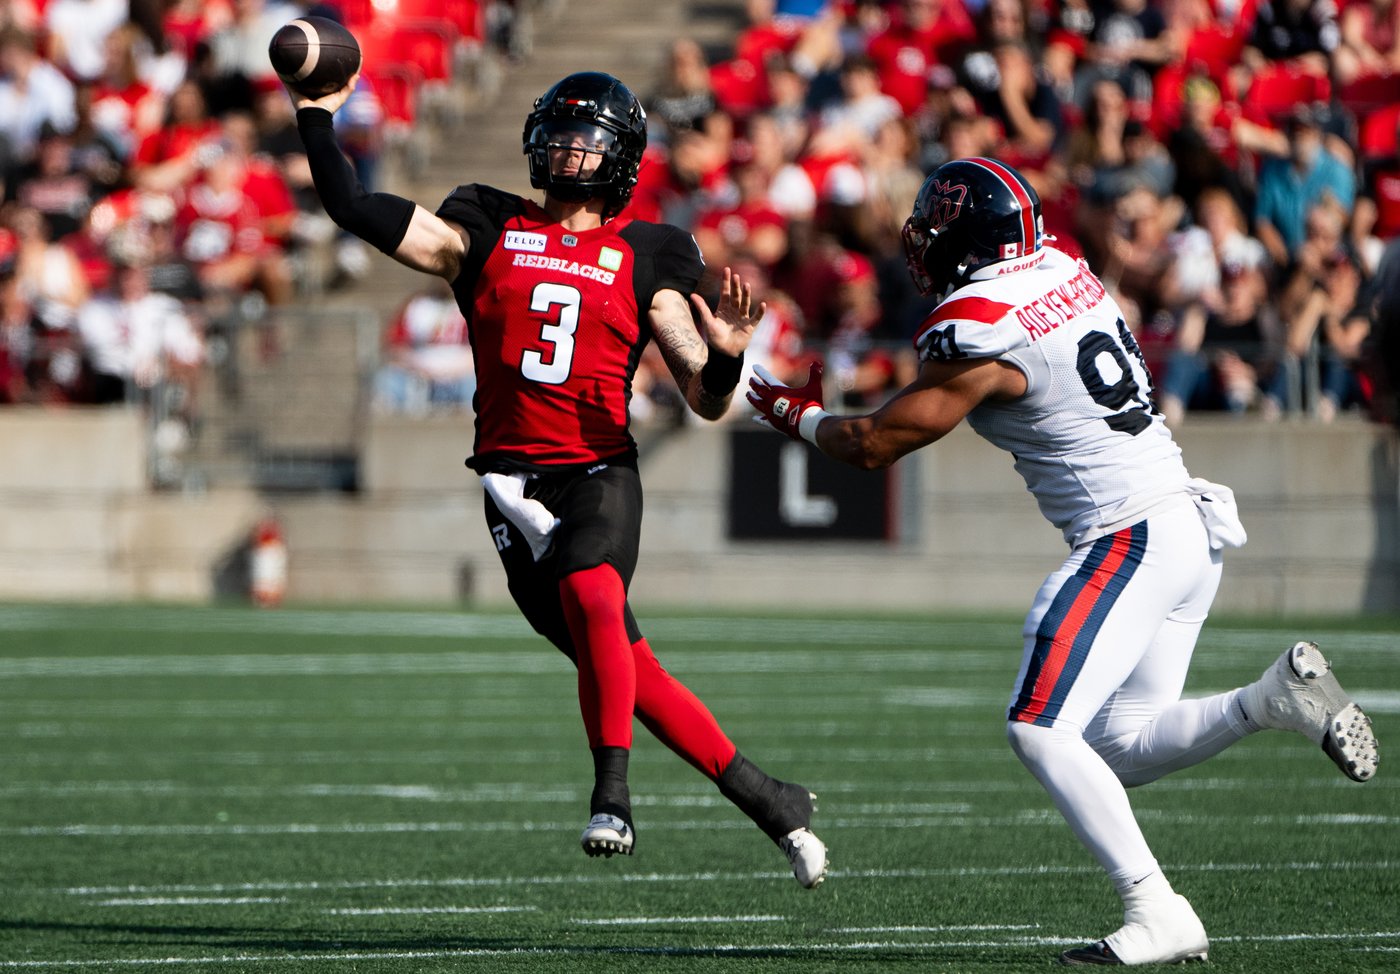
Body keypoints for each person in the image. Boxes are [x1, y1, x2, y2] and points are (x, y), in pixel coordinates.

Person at [747, 156, 1380, 963]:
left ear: (973, 243)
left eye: (938, 233)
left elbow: (875, 443)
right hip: (1187, 524)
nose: (926, 247)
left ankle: (1158, 909)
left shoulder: (979, 319)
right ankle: (1270, 701)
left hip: (1130, 536)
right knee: (1120, 746)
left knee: (1039, 729)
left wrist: (787, 411)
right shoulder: (1062, 269)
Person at [286, 68, 828, 886]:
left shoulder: (651, 252)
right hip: (509, 487)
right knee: (629, 672)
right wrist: (316, 119)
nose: (569, 150)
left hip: (599, 470)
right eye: (560, 133)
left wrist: (726, 356)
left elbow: (704, 394)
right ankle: (774, 801)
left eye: (588, 137)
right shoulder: (484, 221)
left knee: (594, 591)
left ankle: (611, 794)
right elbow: (355, 207)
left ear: (620, 157)